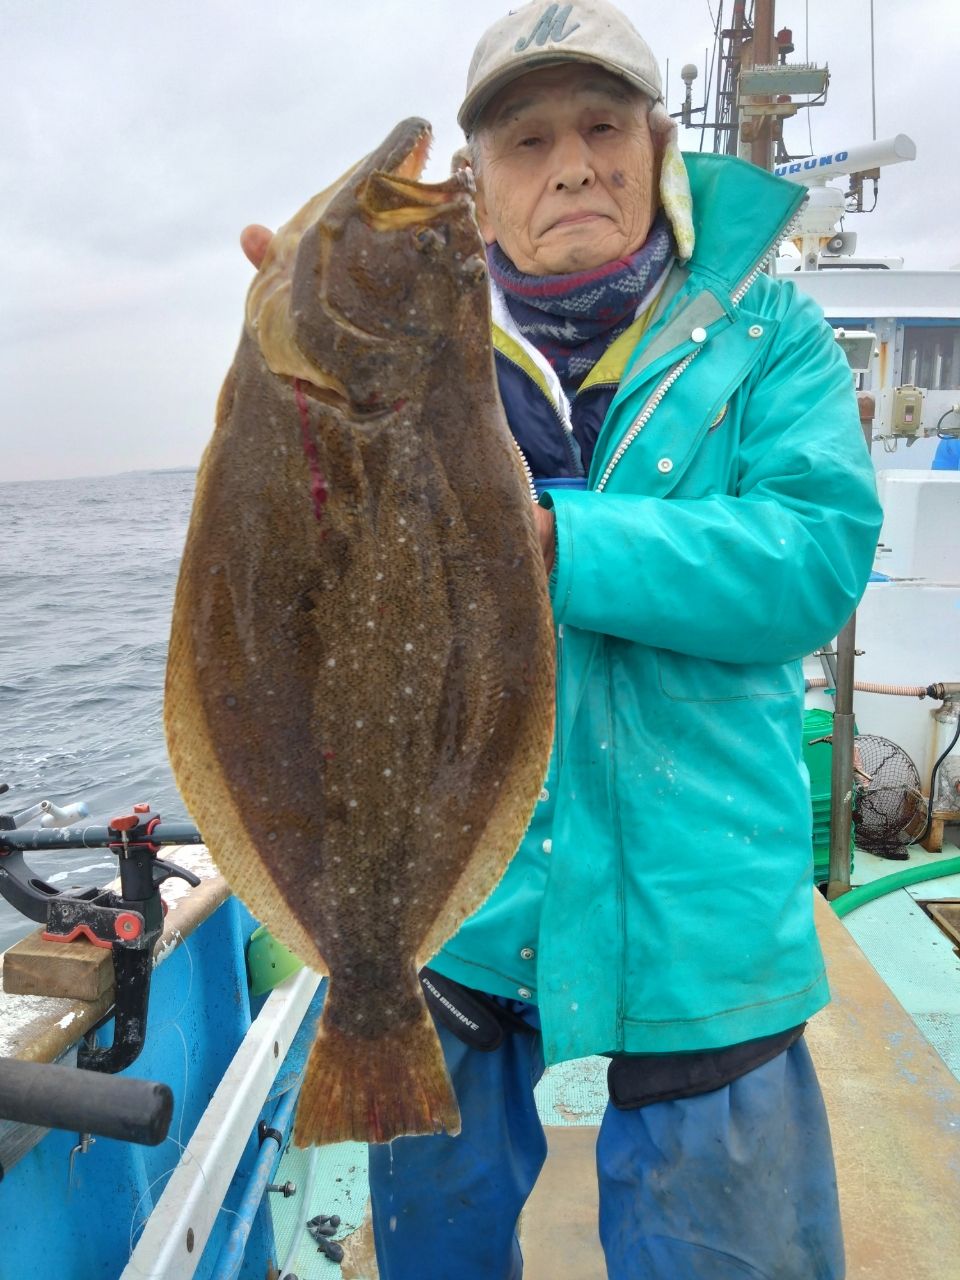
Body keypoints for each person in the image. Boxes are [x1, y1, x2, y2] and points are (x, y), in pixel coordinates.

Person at [244, 3, 883, 1275]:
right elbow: (290, 590)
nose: (574, 166)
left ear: (658, 148)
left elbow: (813, 556)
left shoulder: (771, 338)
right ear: (477, 186)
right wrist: (292, 377)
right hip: (464, 909)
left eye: (602, 128)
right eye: (529, 141)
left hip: (700, 923)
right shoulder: (413, 343)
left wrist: (560, 543)